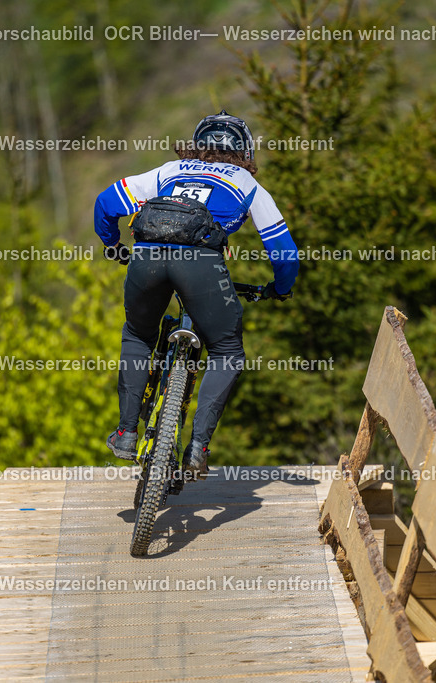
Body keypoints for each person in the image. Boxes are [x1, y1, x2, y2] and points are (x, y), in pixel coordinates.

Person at [93, 110, 299, 477]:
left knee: (139, 335)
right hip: (201, 265)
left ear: (196, 143)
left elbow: (105, 204)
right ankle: (198, 448)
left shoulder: (169, 171)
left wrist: (114, 246)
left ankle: (125, 433)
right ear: (245, 150)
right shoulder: (247, 184)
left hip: (147, 258)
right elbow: (285, 253)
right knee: (227, 351)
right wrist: (279, 289)